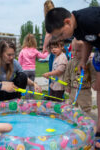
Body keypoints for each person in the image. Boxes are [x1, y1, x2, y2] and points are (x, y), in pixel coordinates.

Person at [45, 7, 100, 148]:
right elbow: (89, 41)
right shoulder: (77, 30)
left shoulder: (89, 20)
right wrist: (83, 60)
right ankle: (99, 127)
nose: (63, 38)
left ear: (67, 22)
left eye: (62, 34)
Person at [64, 38, 96, 113]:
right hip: (73, 90)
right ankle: (72, 122)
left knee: (86, 108)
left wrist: (94, 83)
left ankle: (85, 122)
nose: (74, 52)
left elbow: (93, 74)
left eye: (78, 51)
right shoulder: (70, 63)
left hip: (85, 91)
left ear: (86, 51)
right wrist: (67, 86)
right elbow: (67, 75)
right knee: (71, 107)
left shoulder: (89, 63)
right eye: (73, 50)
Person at [18, 33, 48, 99]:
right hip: (32, 71)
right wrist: (46, 51)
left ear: (25, 41)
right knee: (32, 85)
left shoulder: (23, 51)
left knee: (26, 86)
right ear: (34, 41)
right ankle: (32, 99)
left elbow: (19, 62)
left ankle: (28, 100)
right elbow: (43, 56)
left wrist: (19, 70)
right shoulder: (35, 50)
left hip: (25, 71)